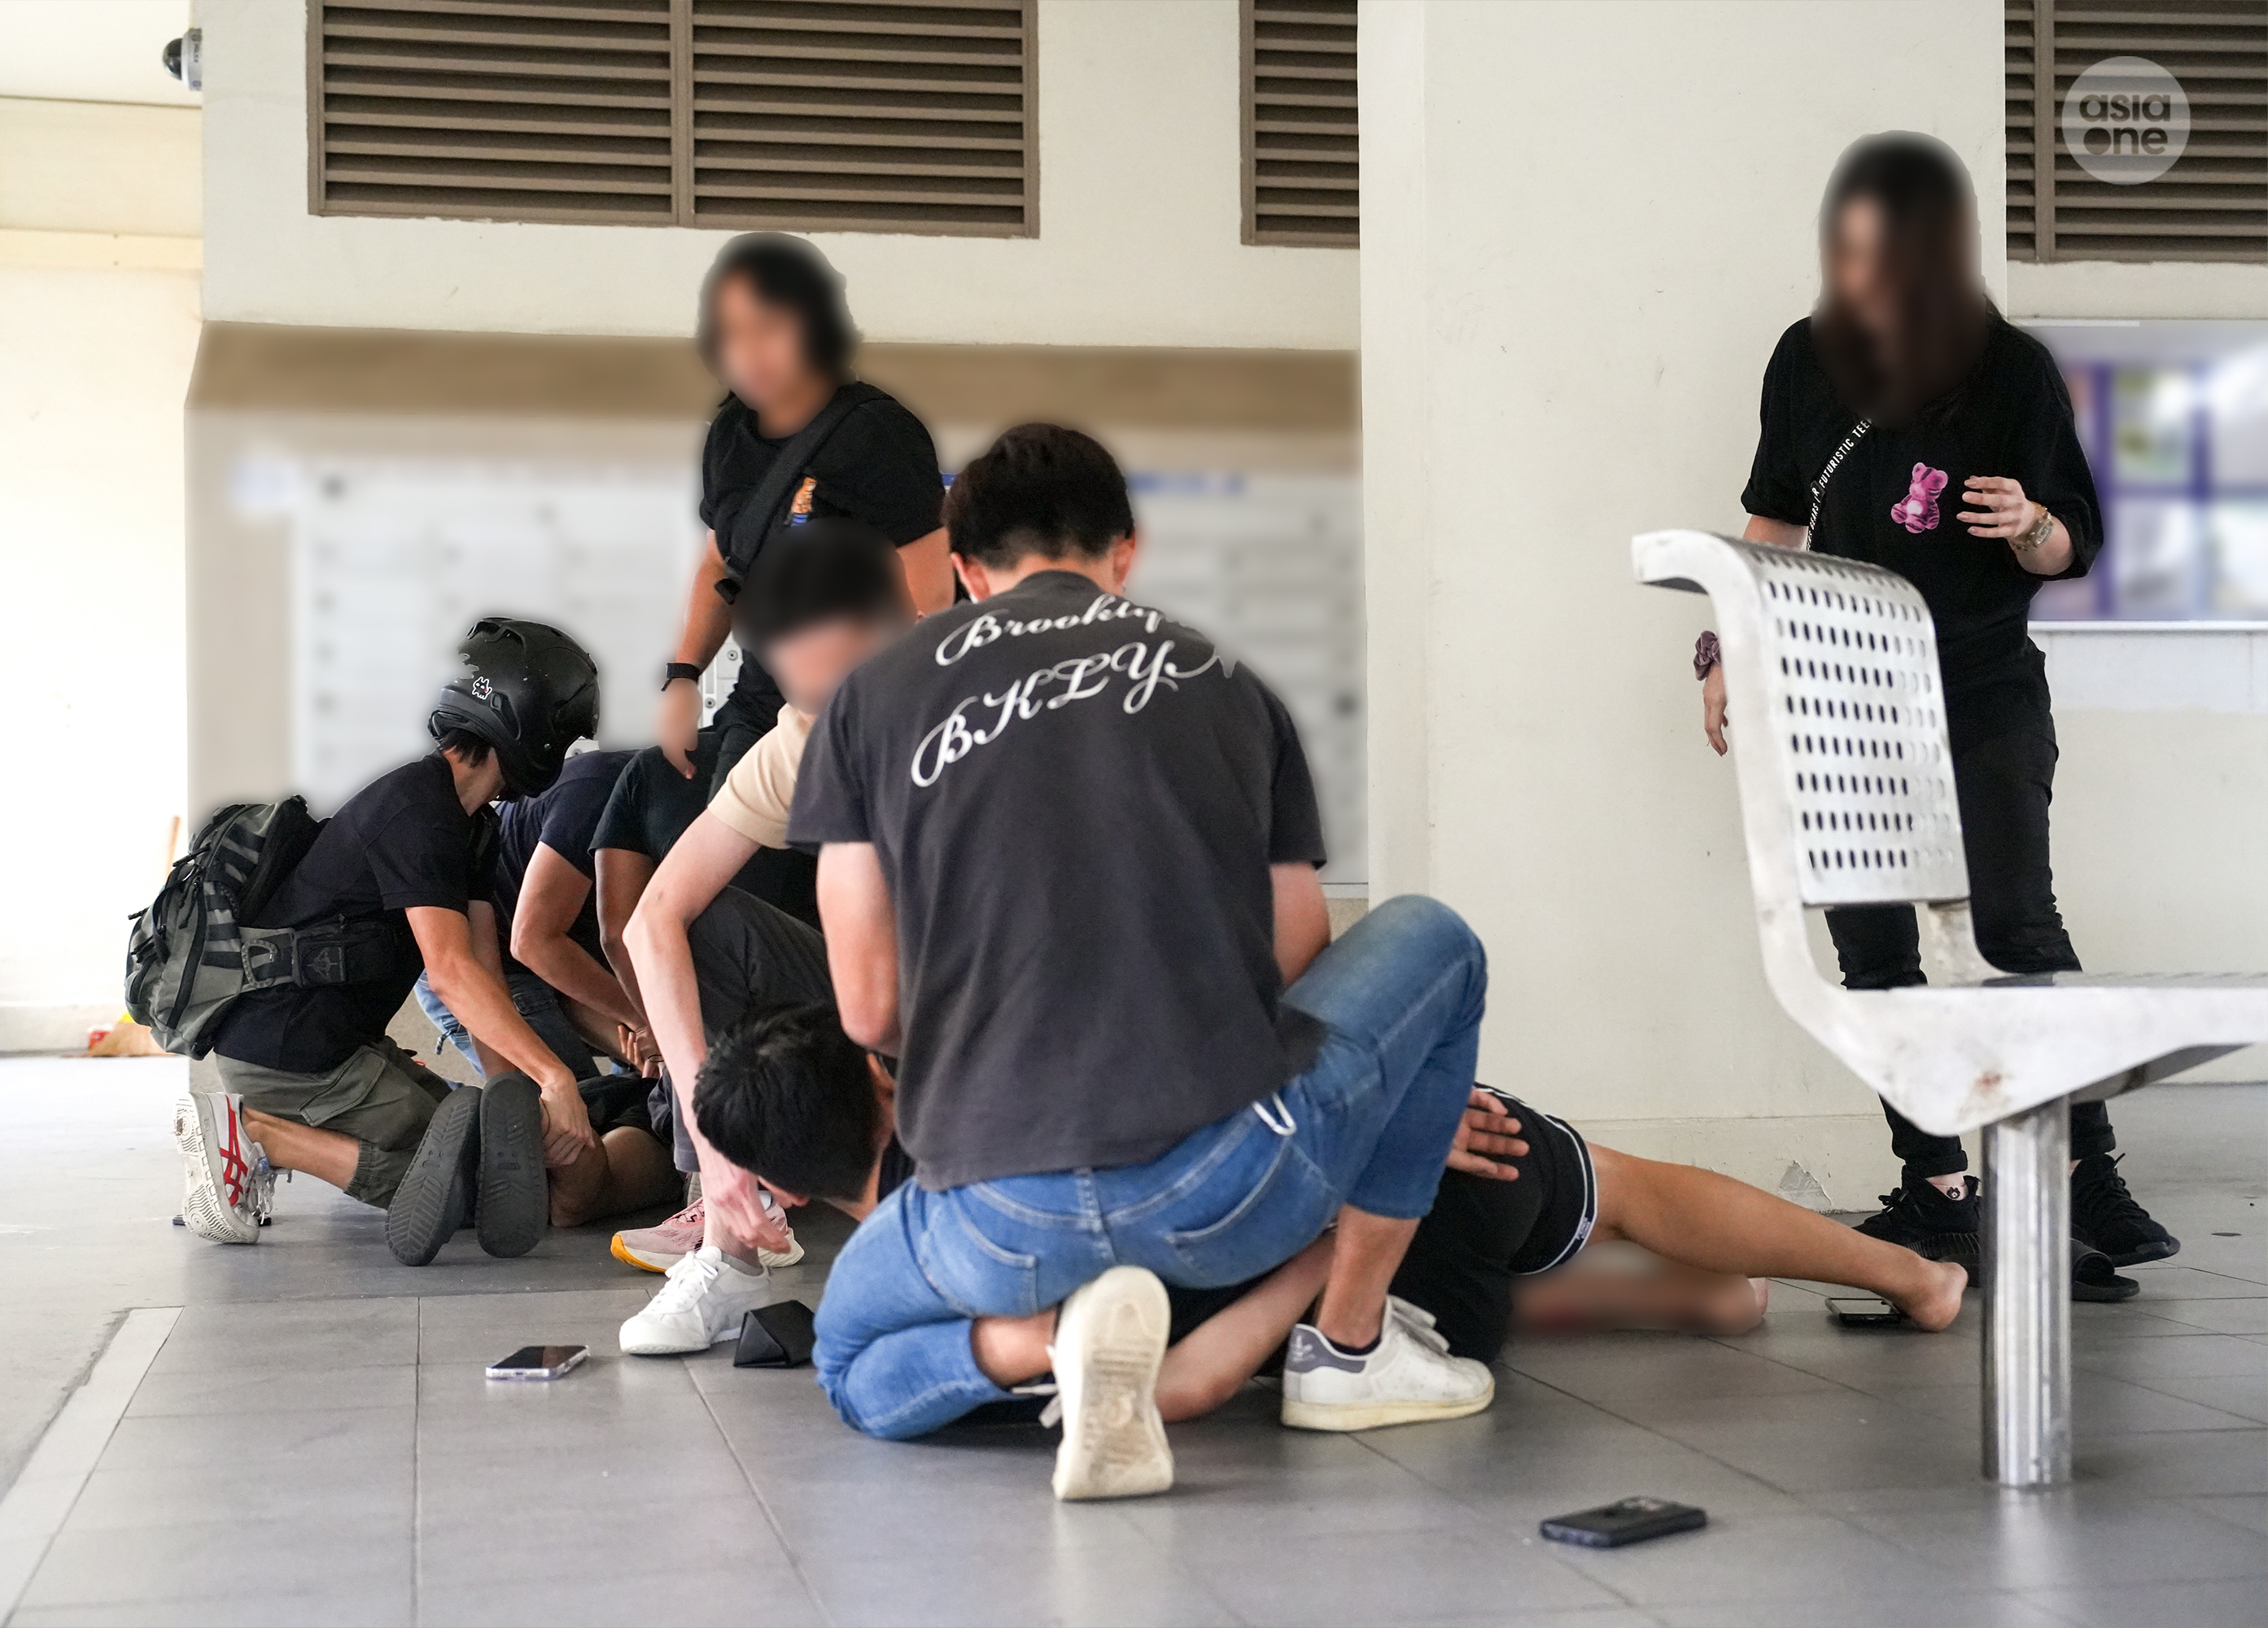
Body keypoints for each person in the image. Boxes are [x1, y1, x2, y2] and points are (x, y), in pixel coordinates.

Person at [787, 422, 1499, 1502]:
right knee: (1438, 940)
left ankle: (1040, 1343)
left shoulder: (868, 703)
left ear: (966, 573)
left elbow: (868, 1004)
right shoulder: (1233, 687)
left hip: (993, 1214)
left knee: (845, 1361)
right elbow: (1295, 960)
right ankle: (1349, 1349)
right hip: (1227, 1191)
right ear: (1126, 551)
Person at [1700, 132, 2174, 1288]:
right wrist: (1720, 649)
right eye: (1847, 254)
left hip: (1982, 683)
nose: (1863, 281)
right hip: (1845, 690)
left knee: (2017, 932)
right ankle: (1937, 1180)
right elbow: (1773, 525)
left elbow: (2071, 546)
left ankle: (2083, 1176)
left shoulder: (2009, 369)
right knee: (1872, 949)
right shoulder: (1803, 362)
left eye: (1887, 257)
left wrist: (2029, 526)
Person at [689, 1004, 1967, 1428]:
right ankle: (1909, 1277)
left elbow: (1169, 1379)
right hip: (1393, 1218)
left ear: (787, 1186)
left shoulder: (919, 1289)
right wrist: (1384, 1134)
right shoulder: (1028, 1101)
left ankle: (1670, 1299)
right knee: (1610, 1182)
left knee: (1449, 1258)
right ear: (878, 1071)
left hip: (1355, 1315)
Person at [180, 619, 611, 1267]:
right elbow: (450, 974)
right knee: (468, 1189)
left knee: (499, 1167)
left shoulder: (471, 825)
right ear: (527, 726)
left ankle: (271, 1133)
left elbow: (483, 973)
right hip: (288, 1056)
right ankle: (257, 1133)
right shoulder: (418, 811)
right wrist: (553, 1077)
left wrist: (511, 1100)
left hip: (336, 1048)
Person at [613, 519, 912, 1350]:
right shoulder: (801, 735)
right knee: (699, 919)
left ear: (897, 629)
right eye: (809, 695)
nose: (833, 720)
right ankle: (730, 1238)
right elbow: (653, 918)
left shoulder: (975, 709)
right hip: (880, 994)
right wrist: (718, 1142)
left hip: (997, 993)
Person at [656, 233, 953, 795]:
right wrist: (683, 677)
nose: (748, 352)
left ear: (814, 325)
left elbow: (930, 601)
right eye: (732, 333)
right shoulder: (728, 437)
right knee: (729, 872)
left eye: (768, 328)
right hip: (762, 704)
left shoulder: (876, 432)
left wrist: (868, 710)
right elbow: (721, 562)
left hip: (864, 715)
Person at [411, 743, 688, 1231]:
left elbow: (581, 968)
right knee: (576, 1131)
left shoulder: (664, 806)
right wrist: (647, 1020)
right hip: (489, 960)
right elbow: (533, 943)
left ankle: (474, 1118)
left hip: (544, 965)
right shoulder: (602, 792)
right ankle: (435, 1112)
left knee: (620, 1095)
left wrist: (645, 1032)